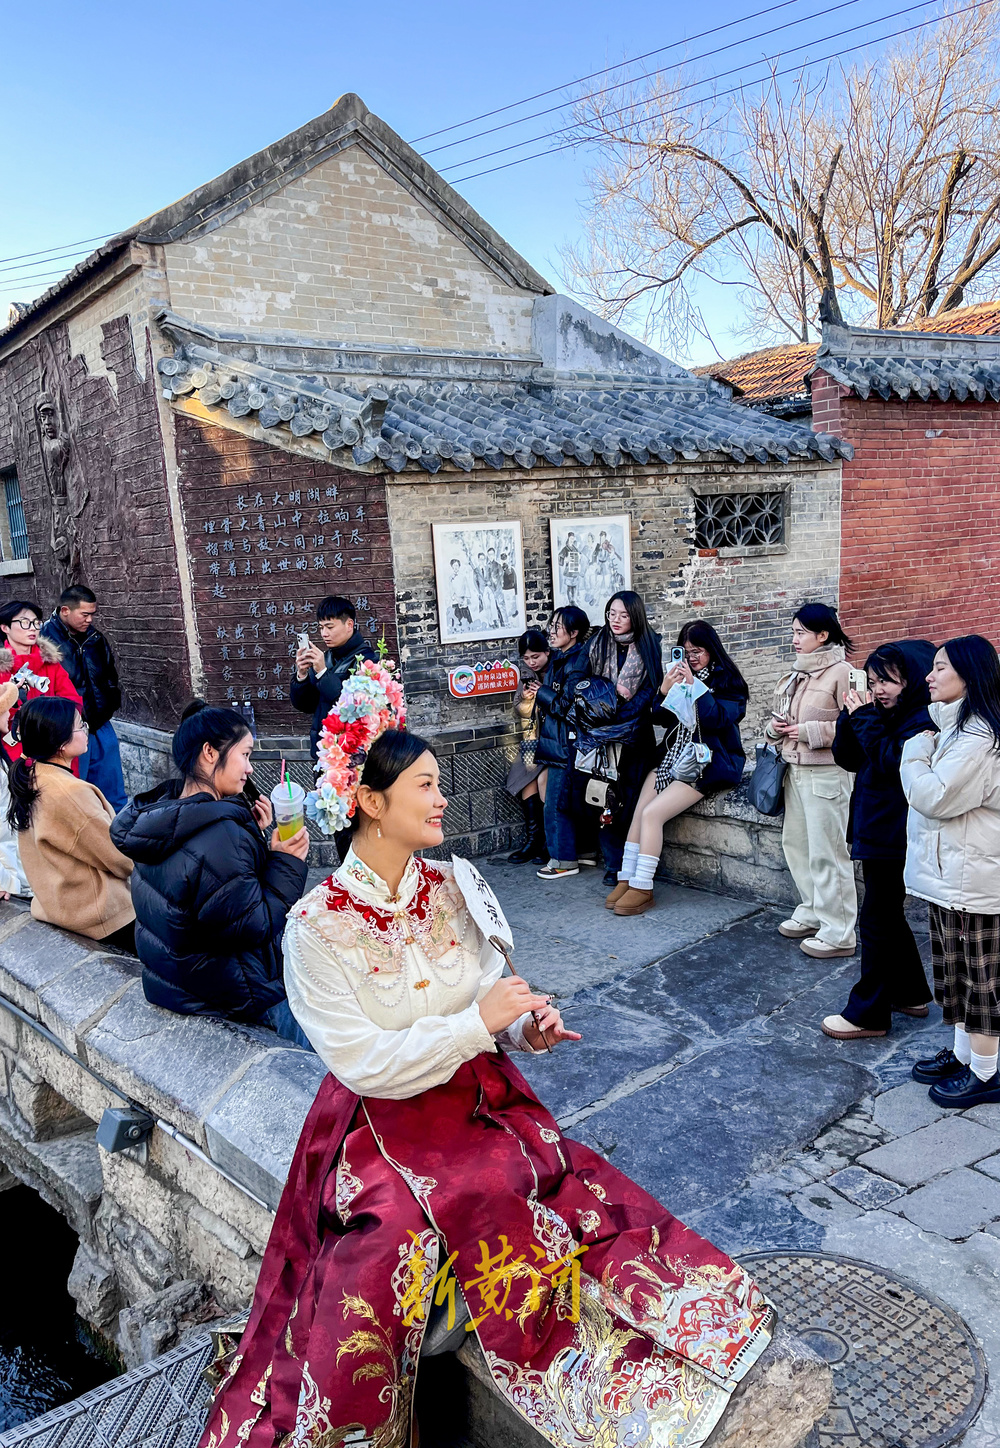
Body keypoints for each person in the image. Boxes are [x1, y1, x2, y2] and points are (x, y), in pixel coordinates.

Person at [198, 727, 772, 1448]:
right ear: (371, 802)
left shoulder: (456, 887)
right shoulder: (315, 927)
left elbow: (491, 998)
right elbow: (362, 1062)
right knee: (386, 1243)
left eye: (440, 783)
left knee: (550, 1186)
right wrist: (478, 1023)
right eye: (426, 786)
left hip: (478, 1097)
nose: (442, 799)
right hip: (377, 1121)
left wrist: (525, 1028)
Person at [110, 701, 311, 1044]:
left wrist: (252, 834)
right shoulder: (220, 834)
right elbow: (254, 926)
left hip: (177, 983)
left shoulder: (164, 815)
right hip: (235, 991)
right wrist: (286, 862)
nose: (249, 768)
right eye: (244, 755)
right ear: (209, 753)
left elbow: (218, 894)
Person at [822, 640, 937, 1040]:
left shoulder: (923, 719)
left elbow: (892, 763)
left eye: (887, 681)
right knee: (886, 915)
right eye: (872, 682)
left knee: (876, 920)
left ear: (911, 680)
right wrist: (850, 716)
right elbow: (850, 758)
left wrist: (866, 718)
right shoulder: (883, 713)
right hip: (877, 827)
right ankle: (910, 993)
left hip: (897, 832)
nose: (879, 690)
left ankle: (868, 1014)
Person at [903, 637, 1000, 1107]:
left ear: (969, 674)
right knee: (956, 973)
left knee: (980, 982)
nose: (930, 675)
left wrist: (913, 753)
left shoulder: (978, 738)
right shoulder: (956, 728)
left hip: (974, 880)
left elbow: (935, 797)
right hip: (954, 875)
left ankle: (986, 1072)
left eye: (941, 667)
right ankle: (965, 1057)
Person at [609, 620, 749, 916]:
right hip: (672, 757)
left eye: (697, 651)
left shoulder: (728, 682)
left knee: (652, 814)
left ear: (712, 650)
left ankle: (643, 887)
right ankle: (626, 878)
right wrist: (663, 690)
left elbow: (717, 719)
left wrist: (695, 686)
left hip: (706, 762)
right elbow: (659, 719)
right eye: (686, 652)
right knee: (638, 811)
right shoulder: (679, 677)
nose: (691, 658)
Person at [766, 602, 857, 958]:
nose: (794, 639)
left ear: (823, 635)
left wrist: (807, 731)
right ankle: (813, 911)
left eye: (801, 633)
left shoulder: (843, 672)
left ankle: (839, 932)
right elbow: (778, 721)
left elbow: (856, 725)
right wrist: (775, 728)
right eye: (793, 632)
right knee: (798, 846)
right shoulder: (798, 673)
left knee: (828, 853)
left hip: (828, 774)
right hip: (795, 771)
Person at [7, 697, 135, 948]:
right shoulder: (70, 792)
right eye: (80, 726)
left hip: (59, 906)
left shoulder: (34, 776)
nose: (86, 730)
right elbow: (121, 859)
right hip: (101, 915)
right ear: (60, 743)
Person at [587, 591, 664, 886]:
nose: (616, 620)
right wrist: (599, 707)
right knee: (604, 798)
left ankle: (631, 862)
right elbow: (579, 679)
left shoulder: (648, 644)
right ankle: (613, 862)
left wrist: (622, 713)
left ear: (635, 616)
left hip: (634, 735)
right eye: (612, 613)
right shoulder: (597, 642)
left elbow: (652, 688)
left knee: (631, 799)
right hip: (601, 734)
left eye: (623, 615)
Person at [40, 585, 127, 811]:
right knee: (78, 796)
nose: (90, 620)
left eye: (92, 614)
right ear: (65, 611)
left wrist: (110, 703)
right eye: (85, 614)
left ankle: (118, 830)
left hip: (100, 724)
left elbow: (110, 675)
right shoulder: (44, 641)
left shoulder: (95, 638)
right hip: (68, 728)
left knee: (114, 793)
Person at [533, 605, 592, 878]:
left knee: (556, 801)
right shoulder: (562, 656)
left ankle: (562, 861)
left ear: (574, 632)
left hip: (566, 740)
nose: (552, 631)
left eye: (558, 627)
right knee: (570, 798)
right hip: (558, 738)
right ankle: (583, 851)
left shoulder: (577, 661)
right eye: (552, 625)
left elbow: (568, 707)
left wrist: (542, 692)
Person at [0, 599, 82, 757]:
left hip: (55, 746)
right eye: (25, 622)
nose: (33, 628)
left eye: (36, 623)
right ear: (5, 628)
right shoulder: (2, 669)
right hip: (13, 749)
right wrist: (11, 697)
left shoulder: (51, 664)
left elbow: (72, 702)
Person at [505, 629, 551, 865]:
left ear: (547, 652)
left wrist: (543, 693)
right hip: (533, 739)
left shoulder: (557, 669)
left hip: (555, 740)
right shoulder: (526, 675)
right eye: (526, 658)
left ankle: (548, 842)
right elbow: (520, 711)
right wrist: (526, 699)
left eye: (536, 657)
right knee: (525, 778)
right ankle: (534, 840)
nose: (531, 662)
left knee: (542, 781)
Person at [0, 682, 31, 898]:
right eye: (4, 710)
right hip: (10, 877)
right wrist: (5, 880)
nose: (9, 715)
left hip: (16, 869)